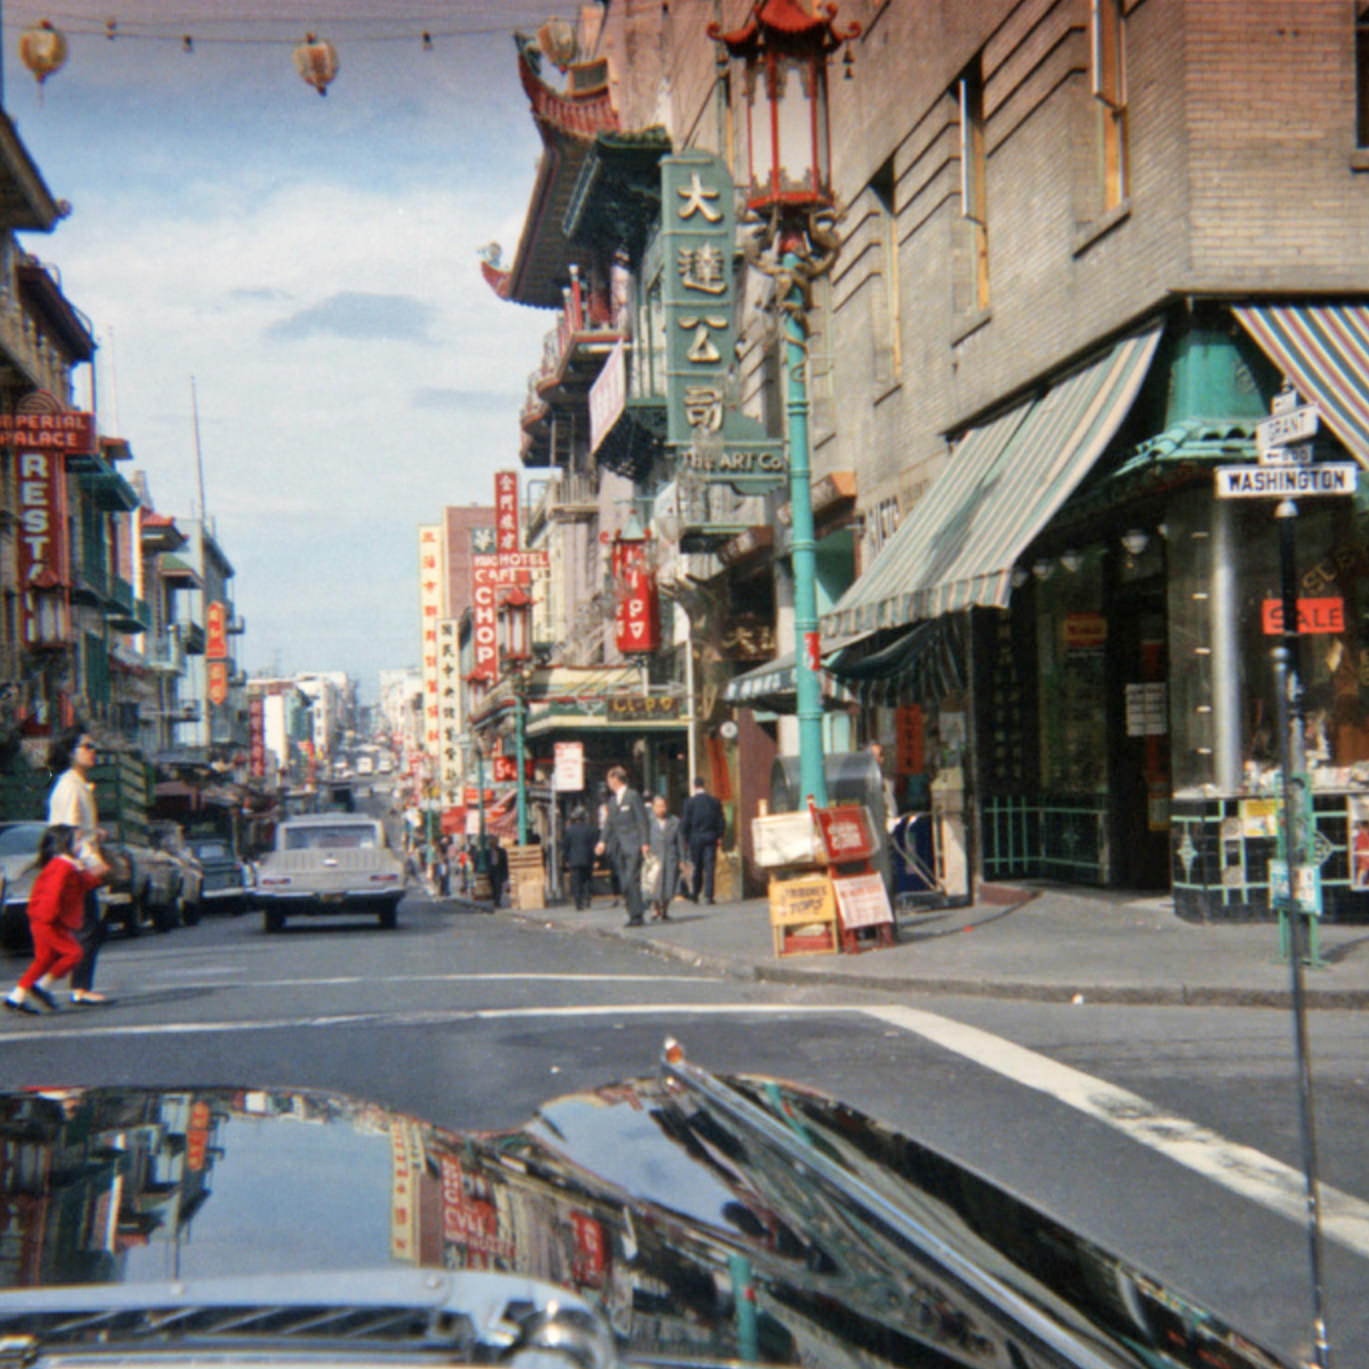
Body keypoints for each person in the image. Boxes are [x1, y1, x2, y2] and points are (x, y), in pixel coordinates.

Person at [5, 826, 109, 1014]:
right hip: (48, 920)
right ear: (65, 844)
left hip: (45, 919)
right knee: (74, 953)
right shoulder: (62, 866)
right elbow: (53, 894)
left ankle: (16, 997)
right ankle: (42, 986)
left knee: (44, 959)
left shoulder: (67, 865)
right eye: (77, 841)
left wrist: (96, 868)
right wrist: (49, 918)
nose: (81, 846)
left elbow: (84, 883)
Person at [46, 731, 111, 1006]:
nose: (93, 751)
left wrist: (96, 833)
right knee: (86, 929)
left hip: (76, 866)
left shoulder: (79, 785)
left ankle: (39, 986)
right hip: (74, 868)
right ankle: (77, 989)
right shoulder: (69, 786)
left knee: (82, 929)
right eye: (87, 746)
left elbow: (80, 830)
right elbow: (68, 834)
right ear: (72, 753)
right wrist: (95, 864)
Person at [596, 765, 649, 926]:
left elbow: (642, 820)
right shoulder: (612, 801)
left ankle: (637, 915)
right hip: (618, 847)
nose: (608, 783)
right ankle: (633, 911)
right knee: (623, 882)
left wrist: (645, 842)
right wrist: (602, 841)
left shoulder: (633, 796)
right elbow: (609, 824)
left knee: (631, 880)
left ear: (616, 779)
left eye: (609, 780)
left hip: (633, 845)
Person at [680, 777, 725, 904]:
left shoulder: (690, 803)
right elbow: (720, 820)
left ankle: (695, 892)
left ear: (694, 786)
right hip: (710, 837)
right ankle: (709, 895)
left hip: (695, 839)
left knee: (697, 866)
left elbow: (686, 822)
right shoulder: (714, 801)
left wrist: (685, 838)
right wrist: (719, 835)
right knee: (709, 867)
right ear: (704, 785)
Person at [646, 795, 685, 921]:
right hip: (654, 856)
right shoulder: (648, 821)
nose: (661, 809)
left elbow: (680, 841)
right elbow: (644, 840)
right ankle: (656, 908)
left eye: (663, 806)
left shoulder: (674, 821)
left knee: (669, 883)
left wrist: (682, 859)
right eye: (658, 806)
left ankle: (665, 910)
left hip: (670, 856)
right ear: (653, 808)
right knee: (655, 884)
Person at [563, 807, 599, 911]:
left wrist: (566, 859)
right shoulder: (592, 829)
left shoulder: (570, 831)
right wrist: (596, 859)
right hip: (588, 859)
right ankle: (587, 899)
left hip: (574, 860)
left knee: (576, 881)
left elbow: (566, 846)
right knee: (587, 880)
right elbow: (594, 845)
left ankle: (578, 903)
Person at [487, 836, 509, 909]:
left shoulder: (502, 851)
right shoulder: (487, 851)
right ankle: (495, 898)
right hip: (491, 871)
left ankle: (497, 900)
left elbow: (505, 863)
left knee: (498, 886)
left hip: (499, 870)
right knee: (493, 885)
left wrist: (505, 874)